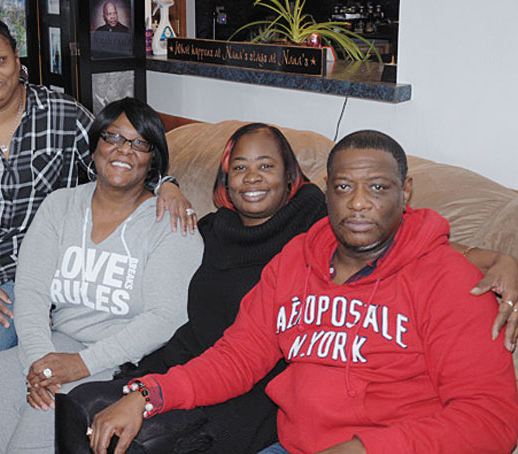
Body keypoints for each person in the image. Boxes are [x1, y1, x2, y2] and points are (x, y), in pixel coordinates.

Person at [87, 130, 518, 454]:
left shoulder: (452, 281)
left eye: (378, 188)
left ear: (404, 193)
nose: (359, 203)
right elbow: (237, 356)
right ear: (326, 191)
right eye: (344, 187)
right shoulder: (296, 261)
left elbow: (491, 419)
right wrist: (147, 396)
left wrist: (364, 449)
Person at [0, 16, 195, 454]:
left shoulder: (64, 115)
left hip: (22, 258)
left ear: (18, 60)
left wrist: (168, 182)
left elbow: (117, 154)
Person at [0, 97, 203, 454]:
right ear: (95, 146)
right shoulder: (59, 206)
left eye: (138, 143)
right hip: (63, 342)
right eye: (112, 137)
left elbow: (166, 319)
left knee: (43, 414)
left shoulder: (172, 224)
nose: (123, 150)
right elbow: (32, 291)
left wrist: (79, 366)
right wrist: (40, 363)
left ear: (152, 160)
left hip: (125, 359)